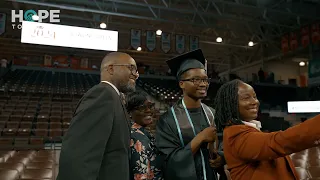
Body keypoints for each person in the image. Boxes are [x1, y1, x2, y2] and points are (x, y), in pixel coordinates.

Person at [213, 79, 320, 180]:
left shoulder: (247, 130)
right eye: (246, 98)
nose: (254, 102)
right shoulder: (236, 135)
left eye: (254, 97)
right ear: (230, 104)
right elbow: (278, 142)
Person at [57, 52, 139, 180]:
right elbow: (79, 156)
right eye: (131, 68)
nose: (136, 74)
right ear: (111, 69)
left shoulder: (114, 97)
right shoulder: (103, 94)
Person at [156, 49, 227, 180]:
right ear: (181, 84)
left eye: (205, 80)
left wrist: (221, 157)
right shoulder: (168, 120)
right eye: (195, 80)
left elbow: (225, 145)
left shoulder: (213, 114)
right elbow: (168, 161)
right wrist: (199, 139)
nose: (203, 84)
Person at [126, 91, 163, 180]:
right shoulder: (136, 137)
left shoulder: (141, 132)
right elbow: (141, 175)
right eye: (142, 108)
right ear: (130, 112)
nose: (149, 110)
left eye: (150, 106)